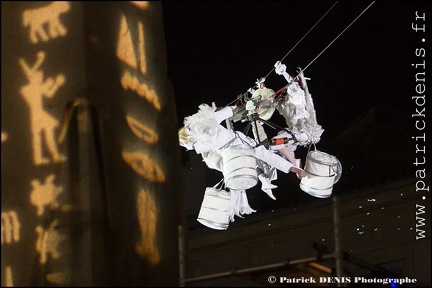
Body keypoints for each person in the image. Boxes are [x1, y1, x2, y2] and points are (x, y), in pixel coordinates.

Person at [178, 103, 306, 200]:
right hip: (236, 152)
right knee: (262, 157)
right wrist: (239, 105)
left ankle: (273, 176)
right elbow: (228, 111)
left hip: (238, 150)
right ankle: (273, 176)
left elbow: (193, 145)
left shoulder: (207, 135)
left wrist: (241, 104)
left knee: (262, 158)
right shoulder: (210, 130)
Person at [273, 61, 324, 145]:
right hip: (296, 122)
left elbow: (305, 88)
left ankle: (282, 71)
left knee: (295, 89)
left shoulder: (299, 93)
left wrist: (302, 78)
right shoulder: (287, 100)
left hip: (301, 121)